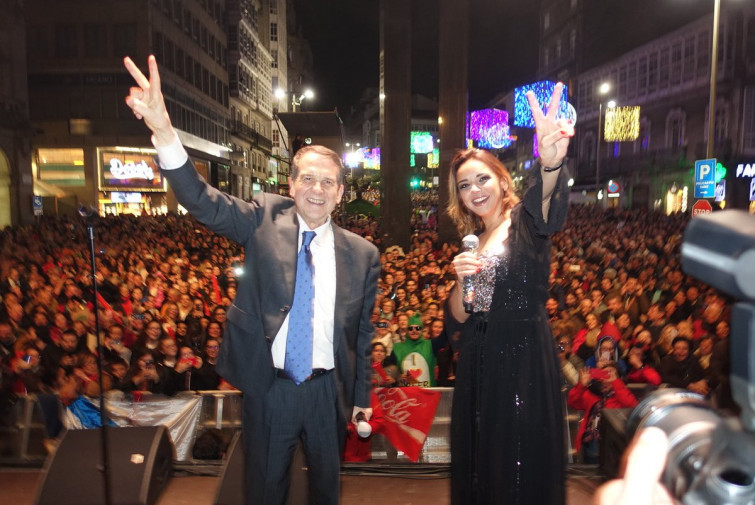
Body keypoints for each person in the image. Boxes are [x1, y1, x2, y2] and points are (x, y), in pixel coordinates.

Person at [124, 55, 379, 505]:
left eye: (327, 182)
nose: (316, 189)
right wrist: (164, 132)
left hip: (326, 392)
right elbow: (202, 202)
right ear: (292, 182)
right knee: (264, 490)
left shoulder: (363, 254)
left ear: (340, 192)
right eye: (308, 179)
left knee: (326, 491)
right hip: (271, 387)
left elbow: (361, 334)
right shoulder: (264, 217)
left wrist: (361, 398)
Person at [445, 84, 571, 505]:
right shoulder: (472, 242)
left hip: (522, 362)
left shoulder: (524, 222)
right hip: (479, 363)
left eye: (482, 179)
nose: (474, 190)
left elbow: (547, 203)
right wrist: (461, 281)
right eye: (464, 186)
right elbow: (461, 316)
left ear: (502, 180)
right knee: (481, 463)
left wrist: (550, 164)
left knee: (518, 466)